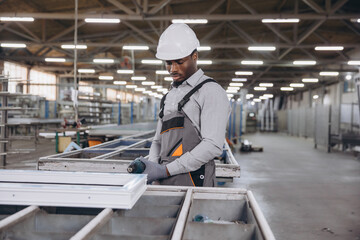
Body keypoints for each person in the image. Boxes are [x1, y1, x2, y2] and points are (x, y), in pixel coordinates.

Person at [129, 23, 230, 187]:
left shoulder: (211, 92)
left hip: (194, 183)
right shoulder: (169, 96)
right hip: (164, 182)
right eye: (168, 63)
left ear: (195, 56)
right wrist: (153, 168)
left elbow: (212, 145)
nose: (172, 69)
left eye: (179, 62)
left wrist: (166, 170)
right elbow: (157, 141)